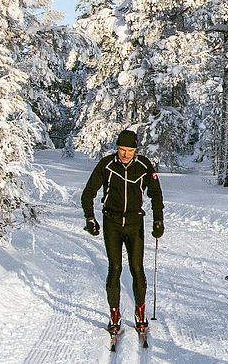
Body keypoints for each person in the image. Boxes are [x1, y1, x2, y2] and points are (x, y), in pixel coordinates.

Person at [81, 129, 164, 335]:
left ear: (136, 150)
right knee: (115, 267)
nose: (125, 154)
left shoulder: (144, 165)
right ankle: (115, 312)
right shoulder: (107, 164)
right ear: (116, 148)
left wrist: (158, 220)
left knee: (137, 268)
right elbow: (88, 192)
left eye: (129, 150)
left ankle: (140, 310)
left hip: (135, 222)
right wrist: (90, 218)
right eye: (121, 149)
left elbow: (156, 193)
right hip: (113, 222)